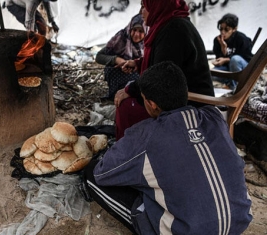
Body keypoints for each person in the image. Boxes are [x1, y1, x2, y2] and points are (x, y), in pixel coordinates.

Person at [83, 61, 253, 235]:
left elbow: (102, 173)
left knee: (91, 174)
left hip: (186, 231)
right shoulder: (215, 116)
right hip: (239, 221)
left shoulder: (146, 134)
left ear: (152, 103)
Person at [113, 0, 214, 140]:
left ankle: (129, 153)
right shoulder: (169, 24)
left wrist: (129, 90)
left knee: (126, 106)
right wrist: (138, 63)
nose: (141, 11)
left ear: (158, 5)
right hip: (176, 95)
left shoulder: (174, 30)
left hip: (191, 106)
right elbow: (166, 60)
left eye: (144, 6)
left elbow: (161, 75)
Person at [95, 13, 146, 100]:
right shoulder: (121, 38)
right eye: (134, 30)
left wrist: (136, 65)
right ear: (130, 28)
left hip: (138, 76)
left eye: (141, 31)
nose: (136, 34)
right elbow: (99, 57)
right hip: (119, 74)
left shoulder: (149, 43)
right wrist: (117, 60)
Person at [212, 13, 253, 90]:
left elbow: (247, 58)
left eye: (226, 29)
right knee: (211, 74)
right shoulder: (217, 40)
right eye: (221, 29)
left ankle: (235, 87)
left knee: (235, 59)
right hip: (228, 69)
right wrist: (223, 48)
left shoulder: (242, 39)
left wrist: (227, 59)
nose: (223, 32)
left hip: (243, 69)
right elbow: (219, 59)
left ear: (234, 29)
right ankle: (231, 82)